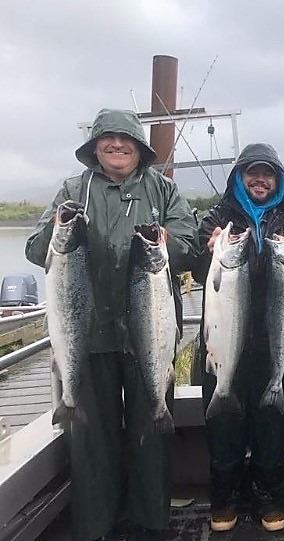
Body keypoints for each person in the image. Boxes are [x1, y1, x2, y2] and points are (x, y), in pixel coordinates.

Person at [25, 108, 198, 541]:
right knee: (90, 437)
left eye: (126, 140)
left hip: (152, 332)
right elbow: (35, 249)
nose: (117, 145)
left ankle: (150, 521)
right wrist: (59, 228)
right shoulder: (73, 189)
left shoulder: (163, 189)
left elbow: (191, 246)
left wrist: (166, 240)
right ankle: (95, 526)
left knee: (151, 429)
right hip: (87, 334)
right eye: (108, 139)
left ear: (140, 148)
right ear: (95, 147)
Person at [190, 143, 284, 533]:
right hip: (224, 341)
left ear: (279, 180)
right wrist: (207, 252)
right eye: (252, 173)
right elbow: (197, 271)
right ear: (239, 178)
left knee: (271, 422)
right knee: (224, 423)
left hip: (274, 341)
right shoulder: (216, 219)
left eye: (267, 174)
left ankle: (269, 497)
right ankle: (224, 497)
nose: (260, 180)